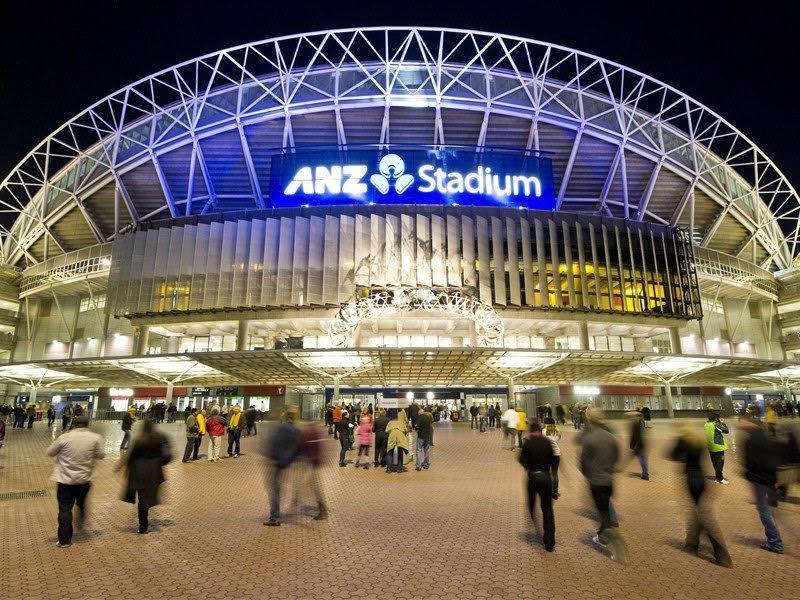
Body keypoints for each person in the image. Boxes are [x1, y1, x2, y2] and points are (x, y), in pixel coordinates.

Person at [669, 422, 733, 567]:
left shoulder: (683, 440)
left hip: (691, 480)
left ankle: (721, 554)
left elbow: (672, 455)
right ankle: (692, 543)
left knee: (703, 516)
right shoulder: (697, 441)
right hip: (702, 478)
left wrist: (680, 451)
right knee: (696, 511)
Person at [46, 416, 106, 547]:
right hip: (84, 480)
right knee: (82, 503)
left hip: (65, 480)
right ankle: (81, 524)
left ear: (73, 424)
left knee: (65, 509)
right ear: (87, 424)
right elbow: (101, 455)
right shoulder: (95, 438)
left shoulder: (64, 437)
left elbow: (50, 452)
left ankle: (64, 541)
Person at [579, 411, 627, 562]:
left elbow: (583, 462)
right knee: (605, 508)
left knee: (603, 513)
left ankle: (610, 536)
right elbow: (617, 456)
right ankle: (602, 534)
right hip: (609, 480)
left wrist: (589, 474)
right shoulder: (610, 437)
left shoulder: (589, 439)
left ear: (590, 422)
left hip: (596, 481)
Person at [740, 417, 784, 553]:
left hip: (759, 479)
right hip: (770, 478)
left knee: (764, 511)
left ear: (750, 424)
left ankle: (775, 543)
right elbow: (777, 458)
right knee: (770, 509)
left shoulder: (750, 441)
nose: (740, 425)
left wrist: (747, 473)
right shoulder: (768, 436)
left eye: (742, 423)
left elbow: (750, 462)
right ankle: (775, 539)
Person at [121, 419, 172, 533]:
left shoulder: (139, 439)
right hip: (154, 472)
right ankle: (146, 513)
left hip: (139, 472)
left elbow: (131, 456)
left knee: (142, 499)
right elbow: (168, 455)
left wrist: (124, 469)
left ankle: (143, 526)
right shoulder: (161, 437)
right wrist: (159, 463)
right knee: (148, 497)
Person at [518, 418, 556, 551]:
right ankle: (549, 540)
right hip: (546, 477)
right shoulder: (547, 442)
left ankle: (534, 522)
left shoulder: (528, 443)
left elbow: (521, 460)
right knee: (547, 508)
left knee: (531, 504)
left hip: (533, 477)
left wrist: (528, 466)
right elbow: (553, 458)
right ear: (540, 430)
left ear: (530, 431)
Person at [264, 408, 301, 526]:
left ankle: (274, 516)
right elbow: (297, 447)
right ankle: (282, 509)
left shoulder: (282, 428)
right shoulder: (295, 429)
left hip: (277, 462)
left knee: (274, 489)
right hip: (287, 462)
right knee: (278, 488)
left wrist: (273, 456)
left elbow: (275, 444)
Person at [704, 412, 730, 484]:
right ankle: (720, 478)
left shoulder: (706, 425)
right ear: (716, 419)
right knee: (720, 463)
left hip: (711, 446)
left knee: (715, 463)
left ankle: (717, 477)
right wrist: (722, 423)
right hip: (718, 447)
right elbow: (726, 431)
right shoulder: (716, 424)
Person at [386, 408, 410, 473]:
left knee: (390, 452)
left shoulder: (390, 422)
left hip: (392, 435)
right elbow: (406, 428)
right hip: (400, 435)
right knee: (400, 452)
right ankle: (399, 468)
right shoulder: (402, 415)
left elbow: (387, 430)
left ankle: (389, 468)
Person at [543, 418, 562, 499]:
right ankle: (555, 492)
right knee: (555, 473)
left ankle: (547, 490)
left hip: (546, 454)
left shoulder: (543, 431)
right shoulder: (557, 431)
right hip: (556, 453)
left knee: (546, 473)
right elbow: (557, 441)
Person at [628, 411, 649, 480]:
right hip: (642, 443)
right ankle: (645, 473)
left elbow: (634, 436)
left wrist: (631, 446)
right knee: (643, 459)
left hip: (637, 444)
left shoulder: (635, 424)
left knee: (641, 459)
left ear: (637, 417)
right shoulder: (642, 422)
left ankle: (645, 474)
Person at [415, 406, 433, 471]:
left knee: (419, 450)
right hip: (427, 436)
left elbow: (417, 426)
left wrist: (416, 429)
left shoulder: (419, 418)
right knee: (427, 450)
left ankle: (418, 465)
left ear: (420, 413)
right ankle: (426, 464)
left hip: (421, 436)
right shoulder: (428, 417)